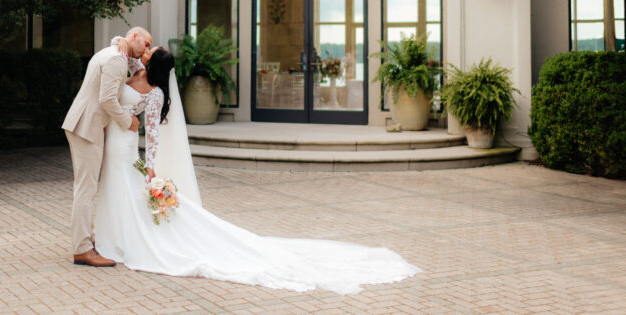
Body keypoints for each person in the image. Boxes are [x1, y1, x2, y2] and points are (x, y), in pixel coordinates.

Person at [93, 47, 421, 295]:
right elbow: (118, 50)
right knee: (120, 189)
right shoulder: (131, 69)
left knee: (130, 187)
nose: (144, 51)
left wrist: (150, 168)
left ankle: (123, 241)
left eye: (149, 52)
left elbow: (152, 135)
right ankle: (114, 235)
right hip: (113, 143)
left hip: (125, 147)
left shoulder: (156, 95)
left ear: (154, 65)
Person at [61, 27, 151, 267]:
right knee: (86, 189)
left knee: (86, 187)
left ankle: (86, 241)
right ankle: (82, 249)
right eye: (146, 44)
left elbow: (136, 68)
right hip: (86, 126)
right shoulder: (116, 60)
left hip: (83, 122)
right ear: (134, 37)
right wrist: (128, 121)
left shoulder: (114, 52)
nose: (147, 50)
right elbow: (107, 99)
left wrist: (119, 40)